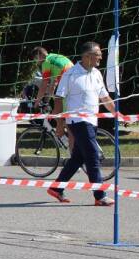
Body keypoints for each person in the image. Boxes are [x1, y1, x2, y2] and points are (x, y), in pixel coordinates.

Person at [46, 41, 118, 206]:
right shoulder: (70, 74)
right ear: (87, 56)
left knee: (78, 158)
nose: (100, 56)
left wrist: (117, 113)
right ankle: (100, 196)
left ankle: (56, 188)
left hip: (91, 121)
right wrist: (59, 122)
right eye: (98, 54)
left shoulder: (97, 74)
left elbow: (105, 98)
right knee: (92, 155)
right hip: (77, 121)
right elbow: (59, 98)